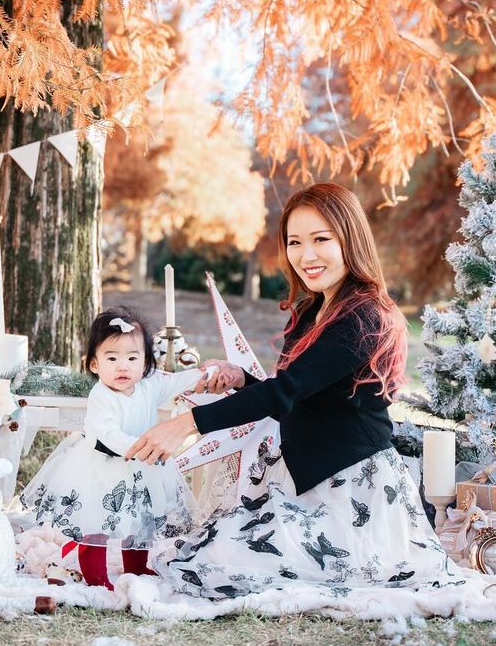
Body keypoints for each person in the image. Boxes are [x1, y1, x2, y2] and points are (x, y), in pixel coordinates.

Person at [126, 183, 456, 598]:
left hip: (353, 491)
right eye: (295, 242)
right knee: (201, 552)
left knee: (216, 565)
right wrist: (242, 379)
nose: (306, 256)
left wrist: (186, 424)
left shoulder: (363, 317)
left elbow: (286, 391)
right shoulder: (313, 310)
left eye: (321, 239)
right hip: (310, 481)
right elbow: (298, 397)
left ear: (350, 238)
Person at [20, 307, 207, 589]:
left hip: (141, 468)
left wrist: (205, 374)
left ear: (145, 363)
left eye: (132, 358)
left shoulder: (149, 385)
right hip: (103, 468)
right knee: (96, 523)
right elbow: (108, 433)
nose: (123, 366)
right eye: (112, 358)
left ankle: (137, 567)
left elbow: (177, 381)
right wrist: (141, 446)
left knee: (140, 518)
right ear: (94, 365)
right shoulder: (101, 396)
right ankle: (96, 576)